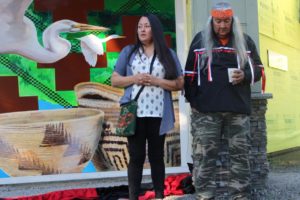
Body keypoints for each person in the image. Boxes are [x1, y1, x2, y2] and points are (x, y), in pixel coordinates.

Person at [184, 2, 264, 200]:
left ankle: (240, 196)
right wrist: (194, 103)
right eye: (218, 21)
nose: (222, 26)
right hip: (206, 113)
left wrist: (244, 75)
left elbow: (259, 70)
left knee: (240, 157)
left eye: (226, 21)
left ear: (232, 21)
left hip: (237, 111)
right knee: (204, 158)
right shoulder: (199, 42)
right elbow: (189, 75)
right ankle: (204, 196)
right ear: (212, 20)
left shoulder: (245, 42)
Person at [111, 14, 184, 200]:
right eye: (139, 26)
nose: (142, 30)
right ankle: (133, 196)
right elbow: (115, 80)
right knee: (136, 157)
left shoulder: (168, 54)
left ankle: (159, 195)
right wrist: (134, 78)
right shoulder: (129, 52)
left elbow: (180, 83)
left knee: (157, 157)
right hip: (135, 113)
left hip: (158, 113)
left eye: (147, 26)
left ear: (155, 29)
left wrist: (157, 81)